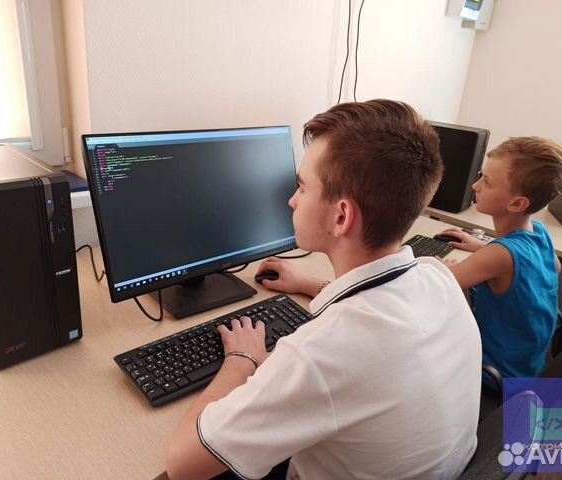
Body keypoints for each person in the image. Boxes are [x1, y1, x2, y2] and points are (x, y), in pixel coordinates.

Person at [164, 100, 482, 480]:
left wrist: (241, 359)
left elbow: (181, 465)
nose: (292, 200)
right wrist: (310, 284)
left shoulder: (320, 354)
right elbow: (375, 310)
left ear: (341, 216)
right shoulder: (437, 276)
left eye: (302, 187)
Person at [437, 137, 562, 382]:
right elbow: (553, 267)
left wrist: (442, 267)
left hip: (497, 375)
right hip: (531, 366)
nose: (476, 186)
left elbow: (441, 283)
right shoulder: (539, 232)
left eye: (487, 182)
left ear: (517, 203)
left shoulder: (500, 254)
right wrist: (483, 248)